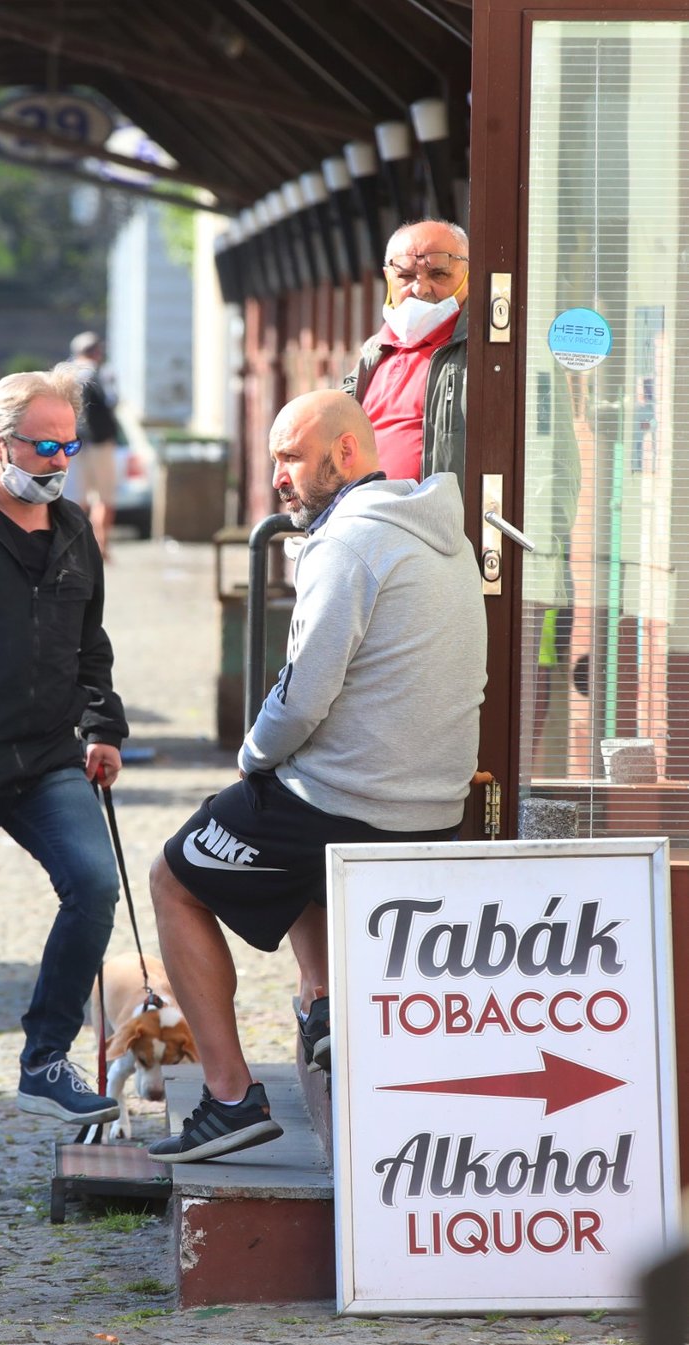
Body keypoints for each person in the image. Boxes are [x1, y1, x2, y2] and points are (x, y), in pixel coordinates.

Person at [146, 389, 487, 1164]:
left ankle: (230, 1098)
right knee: (282, 799)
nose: (277, 479)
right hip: (434, 804)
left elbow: (302, 697)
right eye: (273, 460)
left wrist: (249, 754)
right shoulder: (443, 531)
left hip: (357, 803)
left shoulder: (346, 546)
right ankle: (327, 1005)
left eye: (290, 458)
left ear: (345, 453)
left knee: (175, 873)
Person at [0, 365, 129, 1200]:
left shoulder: (75, 528)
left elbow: (92, 643)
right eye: (42, 445)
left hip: (48, 757)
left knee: (94, 882)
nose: (56, 460)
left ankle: (46, 1054)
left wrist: (105, 724)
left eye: (68, 445)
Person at [344, 219, 469, 484]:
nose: (420, 289)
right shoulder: (373, 354)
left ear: (470, 275)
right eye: (405, 276)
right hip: (366, 521)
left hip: (441, 524)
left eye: (439, 274)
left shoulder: (491, 355)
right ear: (388, 277)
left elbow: (549, 454)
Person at [69, 331, 120, 559]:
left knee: (77, 498)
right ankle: (101, 546)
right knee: (104, 497)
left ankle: (77, 546)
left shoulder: (66, 372)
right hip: (100, 442)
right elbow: (112, 400)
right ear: (96, 351)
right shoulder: (101, 372)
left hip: (73, 443)